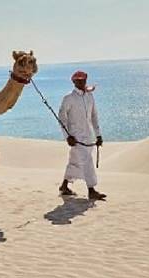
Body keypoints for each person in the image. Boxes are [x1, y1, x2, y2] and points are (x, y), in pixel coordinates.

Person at [58, 70, 106, 200]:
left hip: (89, 137)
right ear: (73, 82)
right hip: (76, 138)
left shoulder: (90, 96)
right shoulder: (68, 98)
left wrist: (98, 135)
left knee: (75, 162)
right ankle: (91, 190)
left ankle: (64, 186)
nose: (81, 82)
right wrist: (67, 136)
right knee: (87, 162)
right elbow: (62, 118)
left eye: (83, 79)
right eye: (78, 80)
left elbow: (94, 116)